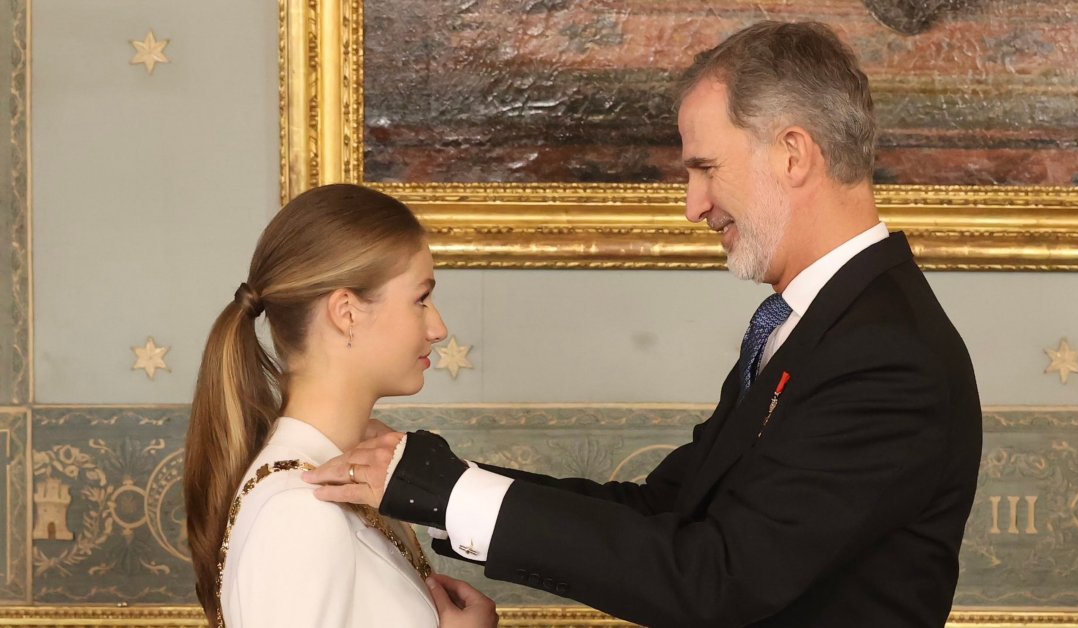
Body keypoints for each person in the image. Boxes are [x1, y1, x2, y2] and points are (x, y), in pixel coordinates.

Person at [306, 21, 982, 627]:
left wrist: (450, 493)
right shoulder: (816, 325)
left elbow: (719, 581)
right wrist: (441, 479)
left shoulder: (887, 355)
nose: (694, 206)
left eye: (706, 168)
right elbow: (665, 509)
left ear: (793, 154)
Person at [183, 184, 499, 628]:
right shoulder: (300, 510)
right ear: (346, 311)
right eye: (421, 298)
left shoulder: (336, 480)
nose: (438, 327)